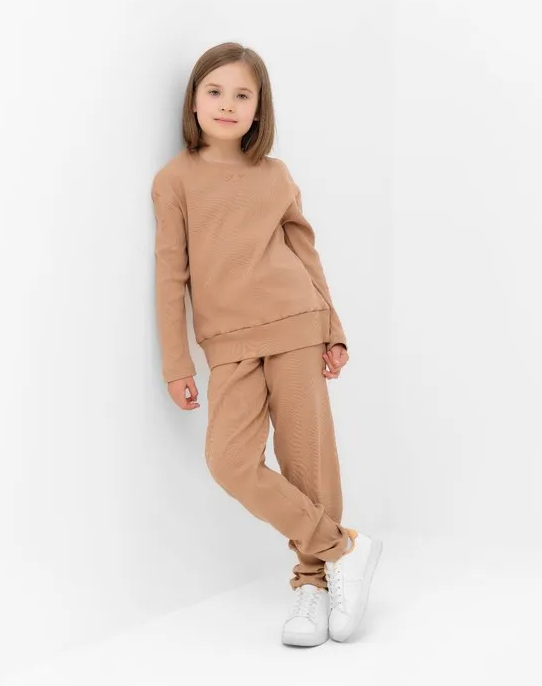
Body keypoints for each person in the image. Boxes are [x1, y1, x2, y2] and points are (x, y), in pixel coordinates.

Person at [150, 41, 383, 647]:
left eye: (242, 95)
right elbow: (170, 277)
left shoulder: (276, 176)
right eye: (215, 91)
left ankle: (313, 583)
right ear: (194, 100)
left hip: (295, 322)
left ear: (259, 108)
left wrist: (333, 327)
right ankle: (343, 549)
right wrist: (176, 362)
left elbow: (305, 252)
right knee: (229, 462)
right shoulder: (174, 180)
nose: (227, 104)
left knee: (307, 460)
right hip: (227, 343)